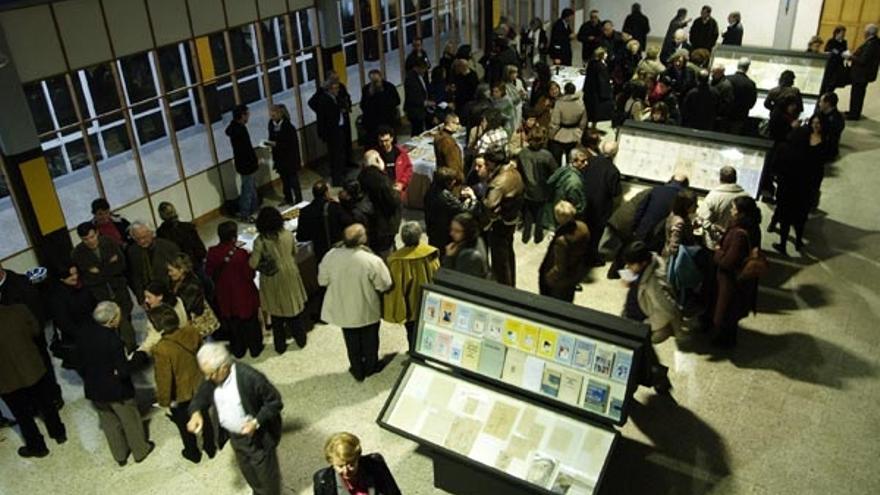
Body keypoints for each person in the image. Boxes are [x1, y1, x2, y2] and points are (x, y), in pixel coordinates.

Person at [187, 343, 284, 495]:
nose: (208, 378)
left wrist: (256, 422)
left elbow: (275, 402)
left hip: (257, 439)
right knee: (250, 475)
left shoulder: (251, 378)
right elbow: (202, 394)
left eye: (211, 374)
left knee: (268, 481)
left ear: (224, 367)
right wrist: (196, 412)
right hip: (236, 438)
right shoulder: (213, 377)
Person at [78, 301, 153, 465]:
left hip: (95, 389)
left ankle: (120, 455)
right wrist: (140, 356)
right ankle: (140, 451)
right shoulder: (113, 340)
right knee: (130, 420)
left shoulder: (85, 333)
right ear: (112, 320)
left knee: (109, 424)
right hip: (116, 391)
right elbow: (124, 370)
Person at [318, 224, 393, 382]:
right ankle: (371, 367)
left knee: (351, 341)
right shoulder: (371, 259)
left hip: (344, 308)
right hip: (366, 308)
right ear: (362, 239)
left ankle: (357, 369)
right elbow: (384, 284)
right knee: (370, 340)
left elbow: (322, 281)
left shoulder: (331, 255)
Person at [147, 304, 215, 463]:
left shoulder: (161, 348)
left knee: (186, 425)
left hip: (181, 393)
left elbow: (164, 379)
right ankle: (210, 447)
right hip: (198, 384)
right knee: (204, 417)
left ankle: (193, 453)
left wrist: (164, 401)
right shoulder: (192, 331)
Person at [0, 304, 67, 458]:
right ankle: (58, 433)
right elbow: (36, 330)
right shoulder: (18, 310)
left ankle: (37, 447)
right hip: (33, 368)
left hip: (6, 380)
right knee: (47, 404)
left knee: (23, 416)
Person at [249, 207, 309, 353]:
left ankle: (280, 346)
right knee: (294, 309)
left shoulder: (260, 241)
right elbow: (294, 251)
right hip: (290, 272)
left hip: (272, 279)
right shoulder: (287, 234)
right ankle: (301, 339)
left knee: (276, 314)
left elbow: (253, 263)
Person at [771, 116, 830, 255]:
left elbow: (775, 167)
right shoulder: (808, 154)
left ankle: (783, 244)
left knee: (785, 217)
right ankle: (798, 241)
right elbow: (816, 172)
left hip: (785, 189)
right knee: (800, 217)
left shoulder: (783, 148)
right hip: (803, 191)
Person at [72, 221, 135, 351]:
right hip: (99, 293)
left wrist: (99, 271)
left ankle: (130, 347)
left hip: (118, 288)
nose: (90, 241)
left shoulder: (109, 242)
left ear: (97, 233)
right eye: (85, 239)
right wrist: (109, 266)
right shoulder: (77, 253)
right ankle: (123, 348)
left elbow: (121, 265)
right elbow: (86, 278)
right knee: (109, 323)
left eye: (92, 237)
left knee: (124, 316)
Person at [205, 221, 263, 358]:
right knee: (250, 323)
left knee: (233, 325)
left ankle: (238, 350)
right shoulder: (241, 254)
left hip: (225, 296)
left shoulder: (212, 253)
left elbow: (208, 272)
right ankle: (255, 348)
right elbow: (250, 274)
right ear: (233, 237)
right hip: (244, 294)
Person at [713, 196, 762, 347]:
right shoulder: (753, 226)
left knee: (725, 311)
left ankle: (724, 342)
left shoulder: (739, 234)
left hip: (730, 280)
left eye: (734, 208)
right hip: (742, 279)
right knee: (732, 310)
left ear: (741, 212)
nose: (731, 210)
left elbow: (728, 261)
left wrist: (718, 252)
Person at [383, 222, 440, 351]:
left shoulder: (396, 260)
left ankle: (414, 352)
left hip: (410, 305)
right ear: (420, 236)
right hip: (430, 300)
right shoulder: (430, 253)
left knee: (412, 332)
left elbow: (396, 288)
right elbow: (437, 272)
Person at [474, 151, 525, 286]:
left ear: (492, 163)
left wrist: (477, 200)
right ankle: (510, 284)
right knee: (508, 254)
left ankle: (503, 289)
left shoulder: (499, 182)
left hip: (500, 224)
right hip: (511, 219)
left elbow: (490, 205)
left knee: (500, 261)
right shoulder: (514, 171)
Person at [621, 241, 682, 344]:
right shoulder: (645, 262)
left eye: (631, 264)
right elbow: (630, 270)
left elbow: (667, 310)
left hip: (645, 318)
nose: (628, 267)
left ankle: (664, 330)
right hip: (635, 309)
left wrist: (646, 325)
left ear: (643, 263)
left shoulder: (655, 282)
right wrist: (628, 276)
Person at [313, 432, 401, 495]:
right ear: (331, 462)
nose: (346, 471)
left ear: (358, 458)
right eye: (340, 466)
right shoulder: (322, 481)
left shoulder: (376, 464)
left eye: (351, 464)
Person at [581, 138, 623, 265]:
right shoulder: (613, 171)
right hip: (600, 210)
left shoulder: (590, 161)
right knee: (595, 237)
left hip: (585, 203)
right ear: (615, 153)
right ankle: (591, 259)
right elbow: (615, 193)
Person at [47, 263, 96, 370]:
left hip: (92, 331)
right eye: (70, 275)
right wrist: (84, 335)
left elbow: (93, 304)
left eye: (76, 273)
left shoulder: (82, 285)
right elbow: (63, 322)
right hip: (78, 338)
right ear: (61, 277)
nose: (75, 277)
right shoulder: (57, 297)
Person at [539, 201, 590, 302]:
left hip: (559, 282)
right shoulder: (583, 227)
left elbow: (559, 267)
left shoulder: (561, 241)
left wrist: (547, 278)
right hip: (574, 273)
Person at [517, 127, 558, 244]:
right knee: (540, 215)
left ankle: (525, 236)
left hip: (526, 189)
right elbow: (555, 172)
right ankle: (538, 237)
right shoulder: (547, 155)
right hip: (542, 190)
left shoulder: (522, 153)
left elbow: (519, 170)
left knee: (528, 214)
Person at [358, 150, 403, 257]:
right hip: (384, 224)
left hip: (372, 222)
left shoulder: (362, 175)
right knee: (386, 252)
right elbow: (393, 201)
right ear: (378, 160)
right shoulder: (381, 180)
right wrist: (396, 191)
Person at [127, 220, 180, 307]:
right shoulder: (133, 251)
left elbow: (180, 272)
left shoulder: (168, 247)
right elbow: (136, 278)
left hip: (170, 293)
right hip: (150, 297)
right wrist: (141, 299)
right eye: (137, 239)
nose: (142, 241)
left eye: (145, 237)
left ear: (152, 233)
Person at [424, 167, 477, 251]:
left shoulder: (431, 191)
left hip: (433, 232)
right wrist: (472, 198)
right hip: (445, 236)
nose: (454, 182)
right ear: (447, 182)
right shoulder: (446, 197)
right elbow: (466, 211)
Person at [633, 175, 690, 252]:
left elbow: (640, 210)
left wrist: (634, 228)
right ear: (686, 185)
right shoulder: (681, 198)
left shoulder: (656, 189)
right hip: (659, 238)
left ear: (670, 180)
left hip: (642, 230)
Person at [312, 77, 352, 186]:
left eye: (337, 88)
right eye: (335, 88)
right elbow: (323, 118)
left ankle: (342, 175)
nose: (337, 90)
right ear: (329, 89)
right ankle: (337, 179)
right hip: (332, 132)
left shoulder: (336, 98)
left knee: (341, 154)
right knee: (335, 157)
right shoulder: (324, 100)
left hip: (340, 129)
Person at [698, 166, 749, 248]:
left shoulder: (713, 196)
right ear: (736, 179)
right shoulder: (746, 197)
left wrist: (715, 233)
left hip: (715, 243)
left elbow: (704, 219)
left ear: (720, 179)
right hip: (737, 242)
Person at [296, 181, 346, 263]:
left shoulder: (305, 212)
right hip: (337, 248)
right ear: (326, 193)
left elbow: (301, 237)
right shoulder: (334, 207)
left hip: (320, 251)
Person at [226, 104, 260, 222]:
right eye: (247, 114)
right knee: (248, 189)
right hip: (247, 164)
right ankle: (245, 214)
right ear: (242, 115)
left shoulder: (234, 128)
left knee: (250, 187)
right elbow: (247, 149)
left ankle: (254, 209)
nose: (249, 117)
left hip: (241, 163)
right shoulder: (240, 130)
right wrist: (254, 161)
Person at [267, 103, 303, 206]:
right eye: (271, 115)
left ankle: (299, 199)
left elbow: (290, 144)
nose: (272, 117)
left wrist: (276, 144)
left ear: (280, 114)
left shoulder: (288, 127)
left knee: (293, 180)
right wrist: (269, 143)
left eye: (273, 115)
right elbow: (271, 136)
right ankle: (288, 198)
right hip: (279, 157)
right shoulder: (271, 124)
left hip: (290, 157)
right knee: (284, 180)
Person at [545, 147, 589, 227]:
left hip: (555, 213)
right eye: (582, 161)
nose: (586, 163)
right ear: (574, 161)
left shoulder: (563, 169)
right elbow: (578, 207)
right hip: (566, 217)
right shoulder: (575, 182)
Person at [156, 202, 207, 271]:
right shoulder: (161, 233)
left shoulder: (188, 227)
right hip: (178, 267)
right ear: (162, 217)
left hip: (195, 263)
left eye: (173, 212)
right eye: (168, 214)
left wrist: (203, 258)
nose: (173, 215)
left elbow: (199, 246)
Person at [846, 24, 880, 121]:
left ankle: (854, 114)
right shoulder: (874, 42)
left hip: (862, 75)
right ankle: (853, 111)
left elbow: (863, 60)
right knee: (857, 94)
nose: (863, 33)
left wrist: (850, 57)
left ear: (868, 32)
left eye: (865, 31)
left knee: (857, 94)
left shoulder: (871, 44)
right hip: (863, 74)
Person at [548, 82, 587, 165]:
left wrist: (551, 135)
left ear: (565, 91)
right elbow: (583, 121)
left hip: (560, 135)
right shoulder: (580, 103)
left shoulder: (559, 103)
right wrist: (580, 132)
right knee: (571, 161)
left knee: (556, 161)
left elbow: (555, 123)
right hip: (574, 135)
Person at [442, 212, 490, 278]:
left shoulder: (468, 256)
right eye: (451, 229)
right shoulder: (478, 240)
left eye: (457, 231)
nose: (451, 233)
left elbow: (450, 278)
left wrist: (449, 257)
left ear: (467, 232)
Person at [360, 70, 401, 145]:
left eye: (377, 80)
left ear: (381, 77)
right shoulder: (366, 89)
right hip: (373, 123)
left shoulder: (389, 87)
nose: (375, 83)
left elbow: (397, 101)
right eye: (373, 80)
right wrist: (370, 95)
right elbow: (363, 106)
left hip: (388, 120)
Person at [375, 126, 414, 200]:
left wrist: (402, 183)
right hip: (382, 193)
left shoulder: (400, 152)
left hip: (397, 191)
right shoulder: (374, 155)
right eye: (381, 141)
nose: (384, 144)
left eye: (386, 140)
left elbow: (408, 168)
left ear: (392, 139)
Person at [167, 252, 208, 319]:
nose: (169, 274)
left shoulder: (192, 285)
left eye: (171, 270)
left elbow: (185, 307)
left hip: (197, 322)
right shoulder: (174, 282)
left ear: (182, 269)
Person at [584, 48, 614, 130]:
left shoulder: (591, 63)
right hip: (597, 93)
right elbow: (602, 81)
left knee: (589, 111)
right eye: (605, 53)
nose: (606, 55)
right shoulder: (600, 66)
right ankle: (593, 127)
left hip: (590, 91)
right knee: (595, 112)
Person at [726, 57, 758, 134]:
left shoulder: (726, 79)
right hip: (740, 116)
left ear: (737, 65)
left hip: (725, 114)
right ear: (747, 68)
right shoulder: (750, 84)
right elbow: (751, 103)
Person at [404, 59, 431, 135]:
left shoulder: (422, 75)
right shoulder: (410, 78)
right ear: (416, 67)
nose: (425, 70)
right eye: (423, 68)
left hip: (422, 109)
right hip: (415, 109)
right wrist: (424, 102)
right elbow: (413, 96)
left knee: (422, 128)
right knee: (417, 130)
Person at [816, 92, 845, 159]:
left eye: (821, 101)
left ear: (827, 104)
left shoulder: (837, 119)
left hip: (827, 148)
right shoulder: (821, 113)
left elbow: (829, 136)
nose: (819, 104)